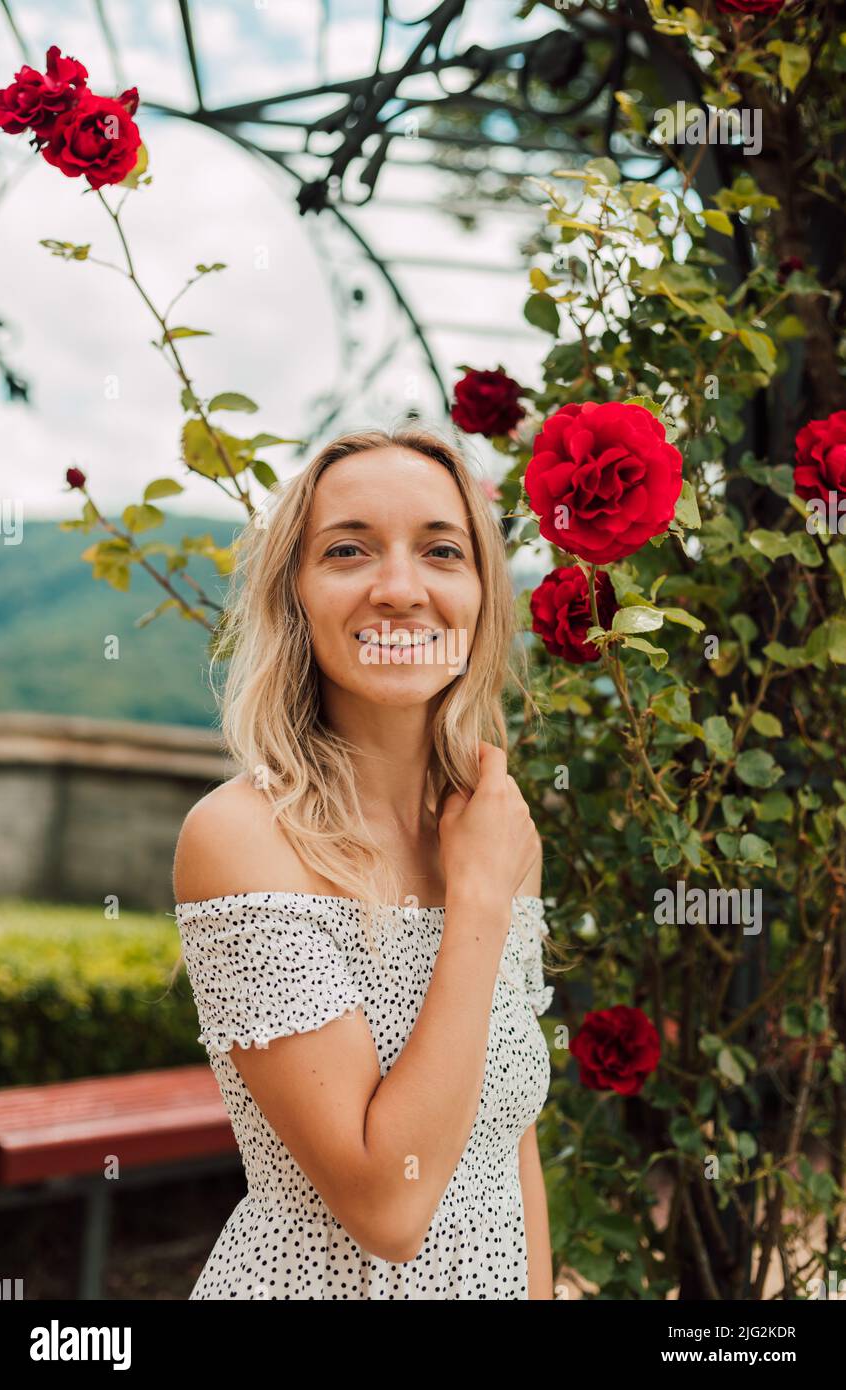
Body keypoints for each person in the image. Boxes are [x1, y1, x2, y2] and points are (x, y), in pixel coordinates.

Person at [173, 424, 556, 1300]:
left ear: (480, 597)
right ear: (296, 595)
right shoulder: (242, 838)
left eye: (441, 552)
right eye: (348, 550)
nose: (399, 590)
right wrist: (480, 906)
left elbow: (510, 1140)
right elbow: (389, 1205)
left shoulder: (488, 830)